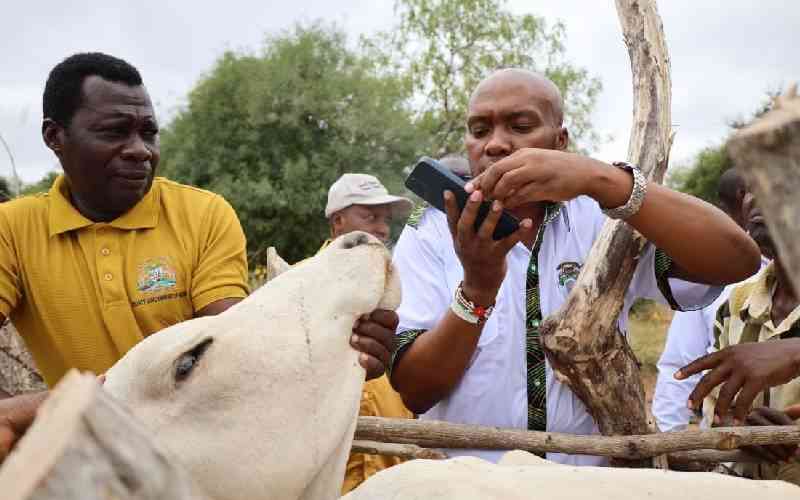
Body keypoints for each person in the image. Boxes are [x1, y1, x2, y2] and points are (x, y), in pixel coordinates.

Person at [0, 54, 397, 459]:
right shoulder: (11, 230)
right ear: (54, 136)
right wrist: (29, 412)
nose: (140, 151)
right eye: (114, 132)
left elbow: (234, 350)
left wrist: (341, 352)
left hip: (202, 460)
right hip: (83, 461)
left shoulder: (202, 215)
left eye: (148, 133)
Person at [389, 68, 761, 466]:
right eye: (479, 130)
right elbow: (416, 390)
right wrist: (477, 292)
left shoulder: (608, 220)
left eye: (521, 125)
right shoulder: (430, 231)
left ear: (560, 142)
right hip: (466, 488)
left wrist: (603, 180)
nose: (495, 144)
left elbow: (738, 260)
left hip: (588, 485)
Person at [689, 185, 799, 483]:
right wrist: (739, 425)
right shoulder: (738, 304)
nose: (755, 197)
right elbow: (715, 414)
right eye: (751, 184)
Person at [320, 173, 415, 494]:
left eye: (386, 219)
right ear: (337, 223)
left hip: (395, 476)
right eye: (370, 216)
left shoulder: (397, 289)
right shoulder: (302, 288)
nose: (382, 229)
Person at [652, 169, 765, 431]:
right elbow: (679, 367)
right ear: (742, 197)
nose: (760, 201)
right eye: (754, 191)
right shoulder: (712, 276)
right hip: (721, 461)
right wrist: (669, 442)